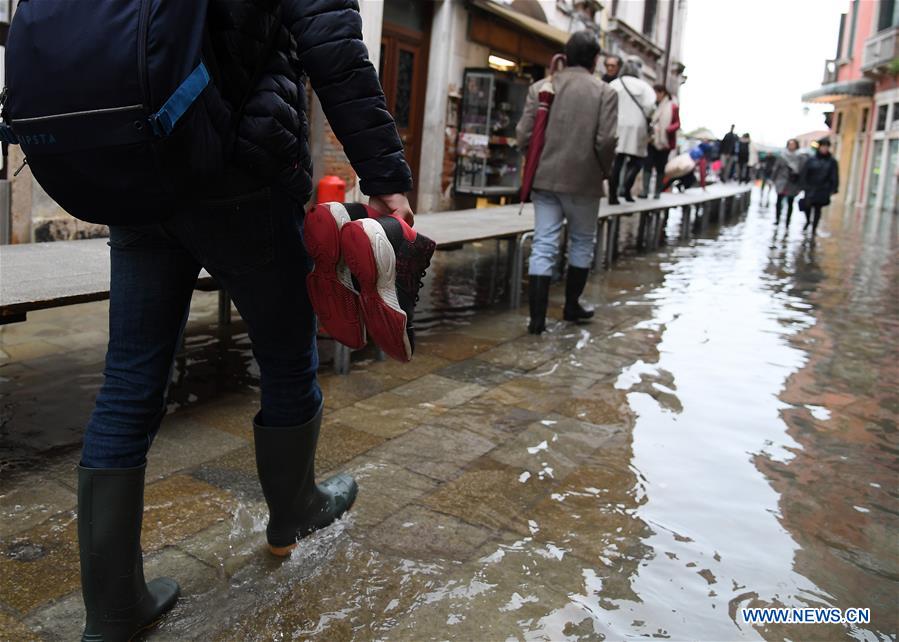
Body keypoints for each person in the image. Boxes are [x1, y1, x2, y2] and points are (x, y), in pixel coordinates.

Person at [72, 2, 421, 639]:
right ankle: (294, 514)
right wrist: (386, 176)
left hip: (138, 166)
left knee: (128, 379)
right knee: (288, 352)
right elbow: (332, 45)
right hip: (239, 171)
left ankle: (112, 607)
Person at [516, 31, 617, 334]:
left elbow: (523, 134)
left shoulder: (542, 87)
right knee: (582, 242)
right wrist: (603, 169)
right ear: (595, 60)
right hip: (585, 181)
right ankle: (572, 306)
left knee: (544, 243)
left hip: (544, 178)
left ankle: (537, 320)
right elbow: (606, 140)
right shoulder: (605, 92)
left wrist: (534, 159)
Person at [607, 59, 655, 204]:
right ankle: (627, 189)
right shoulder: (644, 86)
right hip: (637, 126)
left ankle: (613, 195)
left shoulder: (615, 83)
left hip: (618, 125)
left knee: (617, 161)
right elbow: (650, 107)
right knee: (637, 161)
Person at [641, 84, 680, 198]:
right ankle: (645, 190)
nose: (655, 96)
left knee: (660, 167)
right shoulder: (652, 106)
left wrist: (667, 129)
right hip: (652, 139)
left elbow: (677, 123)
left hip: (664, 141)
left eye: (657, 93)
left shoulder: (672, 106)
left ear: (663, 93)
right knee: (647, 164)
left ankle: (657, 192)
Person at [800, 138, 839, 234]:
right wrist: (803, 185)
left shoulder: (832, 161)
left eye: (826, 147)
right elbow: (804, 173)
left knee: (818, 208)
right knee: (807, 206)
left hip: (823, 188)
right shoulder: (811, 159)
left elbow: (834, 175)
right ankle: (808, 220)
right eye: (823, 147)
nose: (824, 149)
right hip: (810, 187)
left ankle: (814, 228)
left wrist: (834, 187)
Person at [772, 138, 804, 227]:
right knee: (779, 201)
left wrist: (800, 186)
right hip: (781, 181)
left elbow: (801, 171)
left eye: (793, 144)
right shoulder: (782, 156)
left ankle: (787, 222)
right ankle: (777, 219)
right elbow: (776, 168)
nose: (791, 146)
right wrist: (773, 180)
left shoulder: (800, 157)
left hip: (793, 183)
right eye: (790, 144)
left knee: (790, 203)